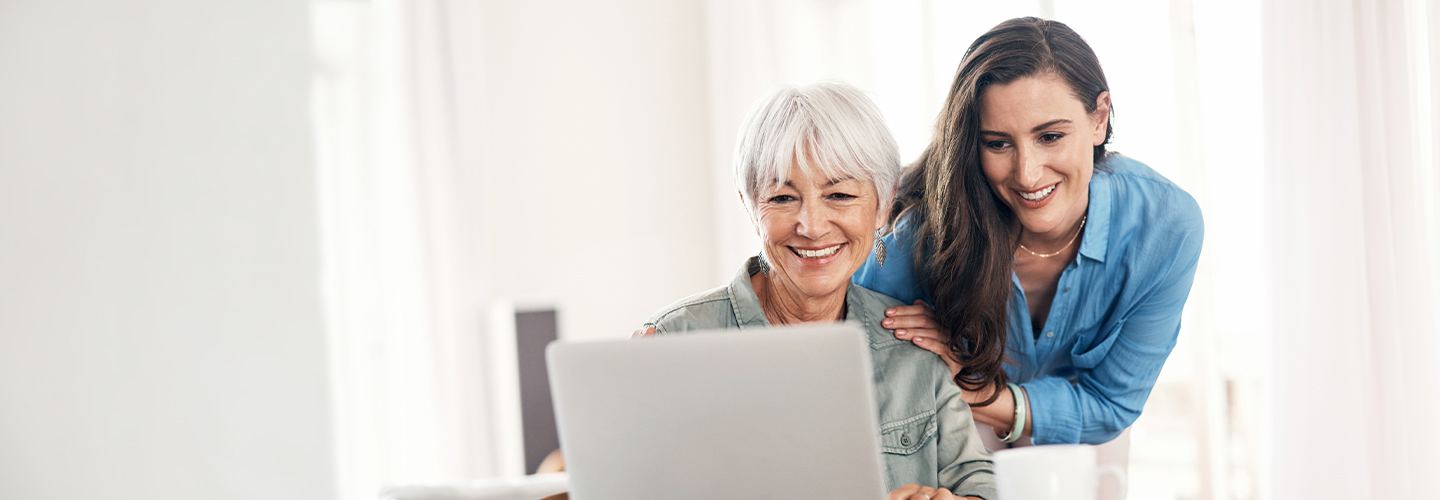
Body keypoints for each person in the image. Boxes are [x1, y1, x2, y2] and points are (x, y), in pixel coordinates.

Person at [853, 15, 1204, 459]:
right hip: (952, 436)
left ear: (1099, 119)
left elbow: (1110, 404)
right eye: (998, 143)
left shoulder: (1166, 225)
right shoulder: (919, 233)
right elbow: (860, 373)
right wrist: (922, 362)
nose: (1027, 173)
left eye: (1050, 136)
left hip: (1083, 441)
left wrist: (978, 389)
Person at [637, 82, 998, 500]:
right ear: (751, 207)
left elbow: (981, 484)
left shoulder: (914, 350)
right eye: (783, 197)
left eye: (840, 194)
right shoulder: (672, 342)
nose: (811, 225)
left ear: (883, 204)